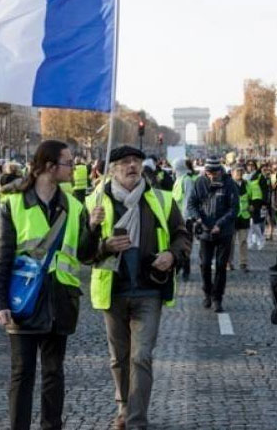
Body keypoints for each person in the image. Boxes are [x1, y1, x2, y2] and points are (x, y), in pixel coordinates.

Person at [0, 140, 102, 430]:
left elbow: (86, 254)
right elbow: (0, 257)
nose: (74, 167)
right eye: (68, 162)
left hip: (60, 299)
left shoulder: (75, 206)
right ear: (50, 167)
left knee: (54, 373)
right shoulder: (13, 203)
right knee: (22, 373)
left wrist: (93, 228)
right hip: (23, 300)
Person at [85, 145, 190, 430]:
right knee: (119, 358)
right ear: (112, 168)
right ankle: (123, 407)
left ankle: (136, 420)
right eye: (125, 162)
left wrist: (173, 255)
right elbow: (83, 251)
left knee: (141, 356)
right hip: (112, 289)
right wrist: (102, 243)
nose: (132, 166)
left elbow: (182, 234)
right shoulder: (93, 201)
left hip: (149, 289)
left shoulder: (161, 199)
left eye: (136, 161)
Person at [189, 156, 238, 313]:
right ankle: (207, 293)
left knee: (220, 266)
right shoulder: (199, 182)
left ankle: (217, 298)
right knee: (204, 265)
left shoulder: (229, 183)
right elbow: (192, 203)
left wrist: (220, 224)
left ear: (220, 170)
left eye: (214, 172)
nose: (211, 176)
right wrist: (198, 219)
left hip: (224, 231)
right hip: (204, 231)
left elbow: (234, 208)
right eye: (208, 172)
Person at [172, 157, 197, 281]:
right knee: (177, 244)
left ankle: (186, 270)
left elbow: (188, 200)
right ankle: (178, 267)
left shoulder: (186, 180)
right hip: (177, 218)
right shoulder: (178, 180)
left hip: (185, 219)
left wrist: (186, 218)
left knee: (185, 245)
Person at [231, 165, 251, 272]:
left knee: (243, 241)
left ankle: (243, 263)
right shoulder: (228, 184)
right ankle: (229, 262)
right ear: (232, 173)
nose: (239, 173)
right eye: (237, 171)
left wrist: (252, 205)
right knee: (231, 242)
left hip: (244, 216)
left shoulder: (247, 184)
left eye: (241, 171)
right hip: (232, 217)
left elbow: (252, 196)